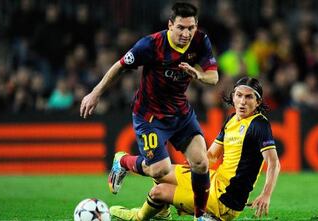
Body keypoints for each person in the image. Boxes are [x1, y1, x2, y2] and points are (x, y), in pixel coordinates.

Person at [79, 2, 218, 220]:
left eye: (190, 28)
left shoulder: (201, 41)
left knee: (201, 163)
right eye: (181, 27)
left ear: (196, 25)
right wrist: (95, 93)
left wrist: (199, 75)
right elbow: (120, 66)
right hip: (150, 116)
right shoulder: (151, 44)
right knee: (160, 171)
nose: (186, 33)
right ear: (170, 25)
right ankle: (123, 161)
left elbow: (214, 76)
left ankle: (200, 216)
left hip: (181, 114)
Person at [110, 77, 280, 221]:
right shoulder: (232, 120)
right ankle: (122, 161)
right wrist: (196, 163)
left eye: (249, 97)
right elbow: (212, 155)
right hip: (213, 180)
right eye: (239, 95)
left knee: (157, 192)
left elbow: (273, 163)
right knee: (161, 171)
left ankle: (139, 217)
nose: (243, 102)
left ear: (258, 102)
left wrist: (266, 194)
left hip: (225, 201)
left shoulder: (259, 124)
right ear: (233, 96)